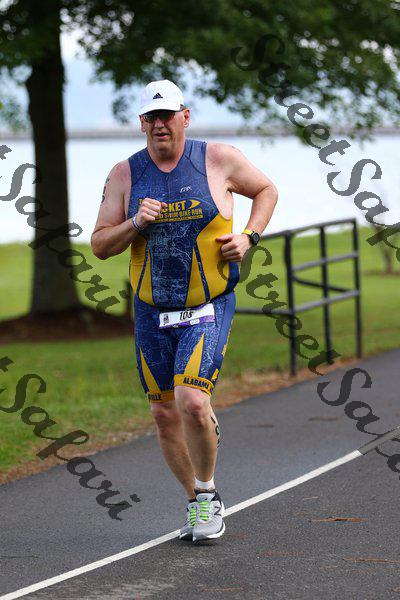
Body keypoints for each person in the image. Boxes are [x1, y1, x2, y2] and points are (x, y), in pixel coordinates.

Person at [91, 79, 278, 542]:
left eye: (168, 115)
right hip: (151, 312)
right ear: (142, 123)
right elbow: (99, 245)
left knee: (192, 401)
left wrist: (249, 237)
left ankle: (209, 491)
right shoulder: (124, 174)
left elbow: (266, 190)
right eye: (151, 117)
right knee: (163, 414)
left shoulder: (218, 159)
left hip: (207, 305)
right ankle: (197, 501)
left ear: (185, 117)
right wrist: (135, 222)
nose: (160, 124)